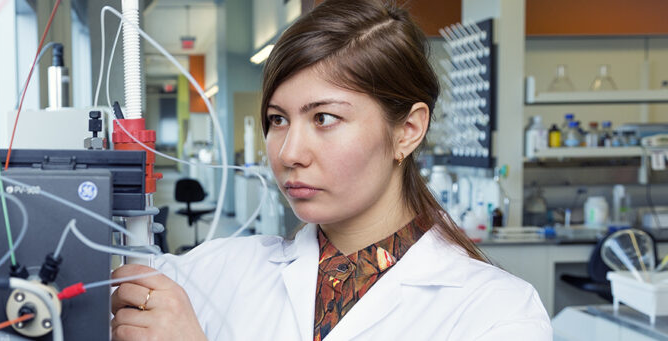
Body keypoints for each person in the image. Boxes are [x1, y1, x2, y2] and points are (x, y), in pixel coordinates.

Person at [108, 0, 552, 340]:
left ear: (409, 130)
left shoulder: (496, 311)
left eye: (324, 118)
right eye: (278, 120)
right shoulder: (217, 271)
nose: (289, 152)